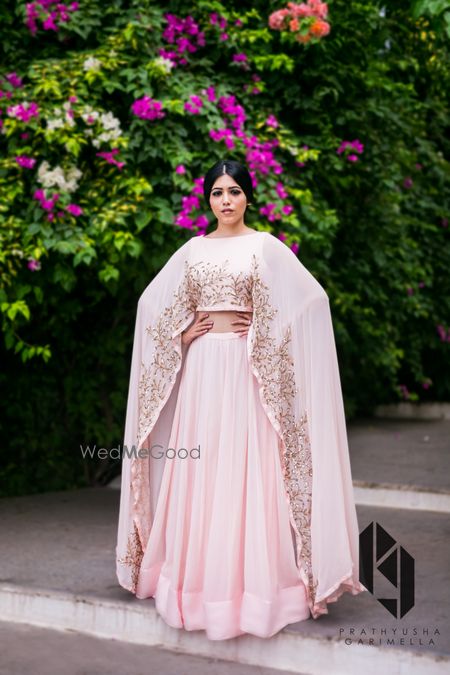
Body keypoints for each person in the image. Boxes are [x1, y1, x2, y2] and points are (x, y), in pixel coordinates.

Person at [115, 159, 366, 641]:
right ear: (206, 200)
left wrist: (267, 334)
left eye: (233, 191)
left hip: (247, 372)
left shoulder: (266, 247)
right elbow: (152, 305)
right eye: (216, 192)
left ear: (248, 196)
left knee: (247, 470)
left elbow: (311, 301)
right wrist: (181, 335)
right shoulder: (192, 251)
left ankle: (256, 592)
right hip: (204, 370)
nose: (225, 200)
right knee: (202, 470)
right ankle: (194, 589)